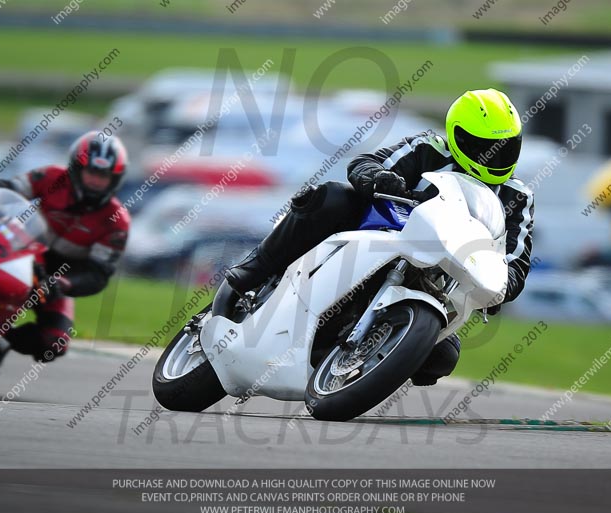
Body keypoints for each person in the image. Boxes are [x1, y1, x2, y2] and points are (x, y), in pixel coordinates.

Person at [225, 88, 535, 386]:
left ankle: (363, 363)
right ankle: (255, 268)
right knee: (329, 198)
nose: (495, 156)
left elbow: (516, 264)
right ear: (458, 137)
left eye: (507, 147)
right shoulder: (428, 148)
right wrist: (377, 178)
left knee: (442, 357)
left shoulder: (518, 196)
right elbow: (364, 163)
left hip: (438, 278)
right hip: (382, 236)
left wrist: (496, 285)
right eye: (483, 146)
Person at [0, 132, 131, 374]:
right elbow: (8, 187)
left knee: (55, 341)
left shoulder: (117, 222)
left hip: (55, 277)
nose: (95, 181)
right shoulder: (50, 177)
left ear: (115, 179)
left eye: (103, 176)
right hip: (17, 248)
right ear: (75, 168)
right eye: (91, 172)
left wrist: (64, 283)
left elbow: (98, 273)